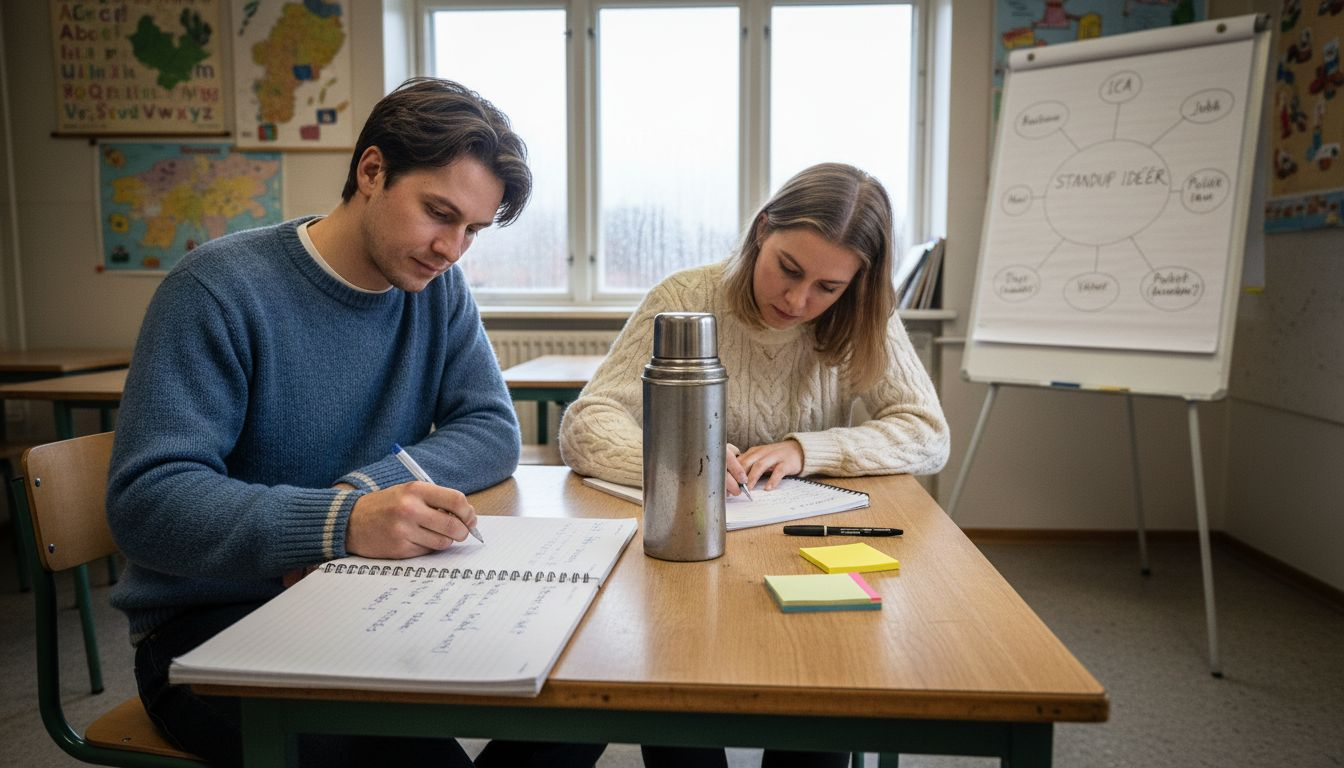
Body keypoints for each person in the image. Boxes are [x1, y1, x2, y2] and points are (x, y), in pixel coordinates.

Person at [107, 78, 604, 768]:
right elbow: (147, 503)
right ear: (372, 171)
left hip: (368, 594)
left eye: (473, 231)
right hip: (211, 626)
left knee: (582, 698)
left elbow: (491, 427)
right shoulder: (217, 289)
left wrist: (358, 502)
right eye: (439, 213)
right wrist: (342, 524)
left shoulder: (437, 289)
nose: (451, 249)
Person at [558, 162, 950, 768]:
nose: (797, 300)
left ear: (857, 284)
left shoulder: (863, 316)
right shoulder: (686, 298)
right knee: (675, 692)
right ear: (762, 230)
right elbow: (587, 425)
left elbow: (926, 433)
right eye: (788, 269)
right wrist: (688, 464)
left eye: (828, 287)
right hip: (684, 550)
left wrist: (805, 450)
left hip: (802, 544)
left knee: (820, 703)